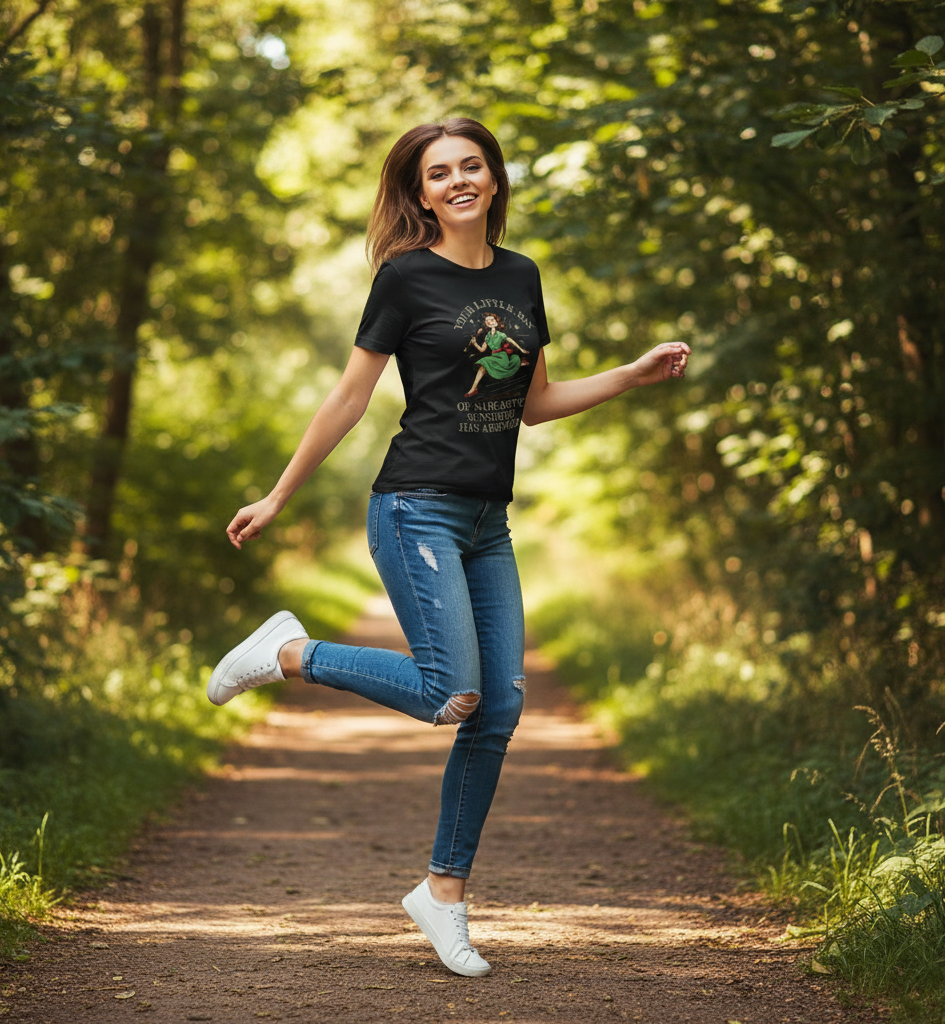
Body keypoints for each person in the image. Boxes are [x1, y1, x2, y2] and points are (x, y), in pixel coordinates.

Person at [207, 117, 690, 978]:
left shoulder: (521, 276)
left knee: (498, 709)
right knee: (449, 691)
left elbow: (533, 401)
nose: (459, 180)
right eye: (440, 172)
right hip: (414, 508)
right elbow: (351, 397)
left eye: (473, 166)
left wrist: (632, 374)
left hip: (485, 522)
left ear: (495, 180)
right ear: (421, 192)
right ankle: (286, 651)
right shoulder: (404, 278)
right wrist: (279, 494)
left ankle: (443, 896)